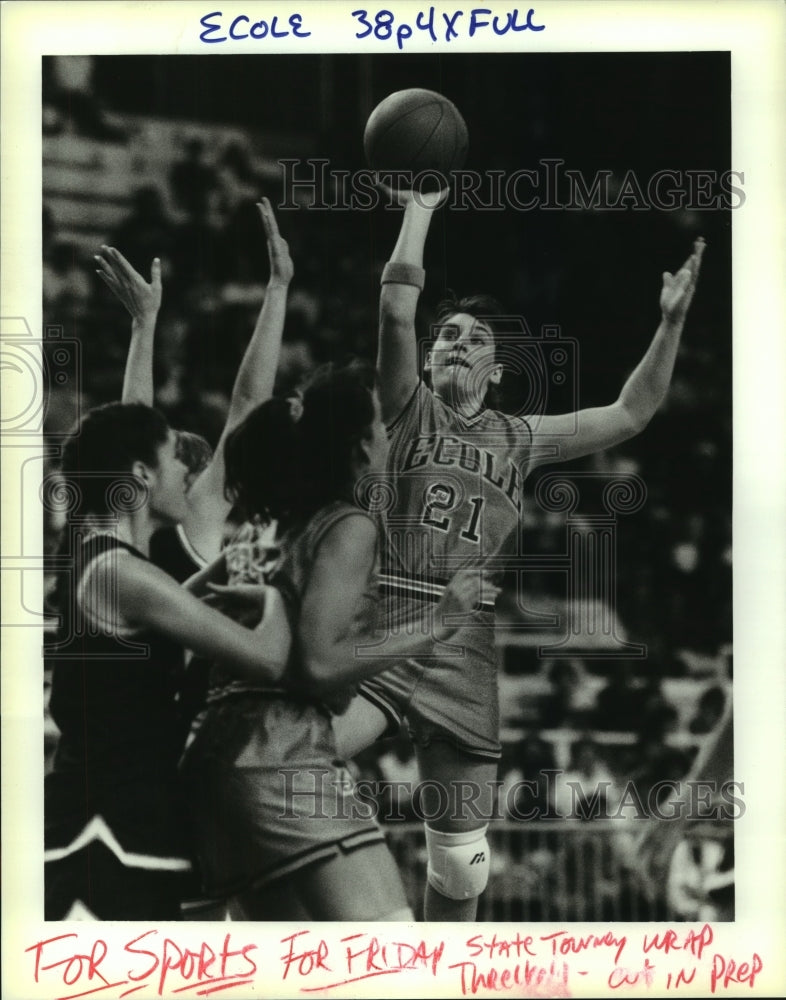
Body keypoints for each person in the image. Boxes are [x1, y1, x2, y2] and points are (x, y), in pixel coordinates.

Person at [333, 185, 705, 921]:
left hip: (466, 644)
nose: (455, 342)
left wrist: (670, 323)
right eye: (448, 335)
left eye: (474, 337)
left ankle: (442, 978)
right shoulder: (406, 403)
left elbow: (632, 412)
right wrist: (419, 208)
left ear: (498, 370)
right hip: (389, 617)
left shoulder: (520, 436)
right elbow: (396, 309)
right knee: (297, 758)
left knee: (464, 872)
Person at [180, 362, 480, 921]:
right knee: (390, 956)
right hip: (281, 752)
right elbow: (317, 665)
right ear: (362, 448)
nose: (389, 435)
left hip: (212, 762)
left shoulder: (260, 528)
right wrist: (434, 625)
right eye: (381, 426)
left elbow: (180, 604)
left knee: (295, 972)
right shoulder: (347, 524)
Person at [43, 402, 289, 921]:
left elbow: (174, 605)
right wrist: (280, 594)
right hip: (105, 832)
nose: (187, 472)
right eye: (176, 457)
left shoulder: (107, 562)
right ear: (141, 474)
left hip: (124, 821)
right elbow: (267, 659)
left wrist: (225, 568)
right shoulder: (121, 574)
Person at [94, 196, 293, 583]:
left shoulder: (150, 520)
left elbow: (135, 423)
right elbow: (248, 405)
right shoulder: (172, 520)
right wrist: (278, 288)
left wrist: (143, 324)